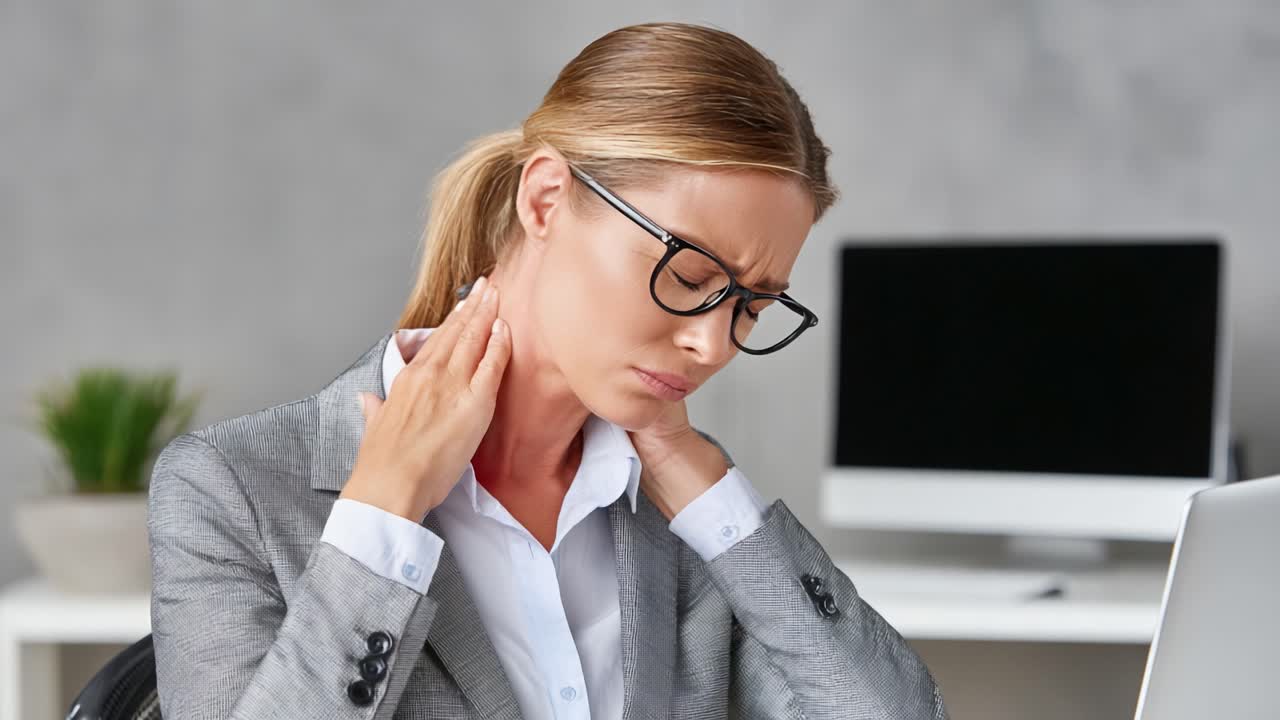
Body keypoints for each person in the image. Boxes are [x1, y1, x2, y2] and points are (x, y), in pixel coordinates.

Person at [147, 21, 949, 720]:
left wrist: (719, 505)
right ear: (545, 200)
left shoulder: (685, 522)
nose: (715, 346)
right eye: (691, 276)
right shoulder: (232, 490)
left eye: (750, 303)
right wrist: (383, 513)